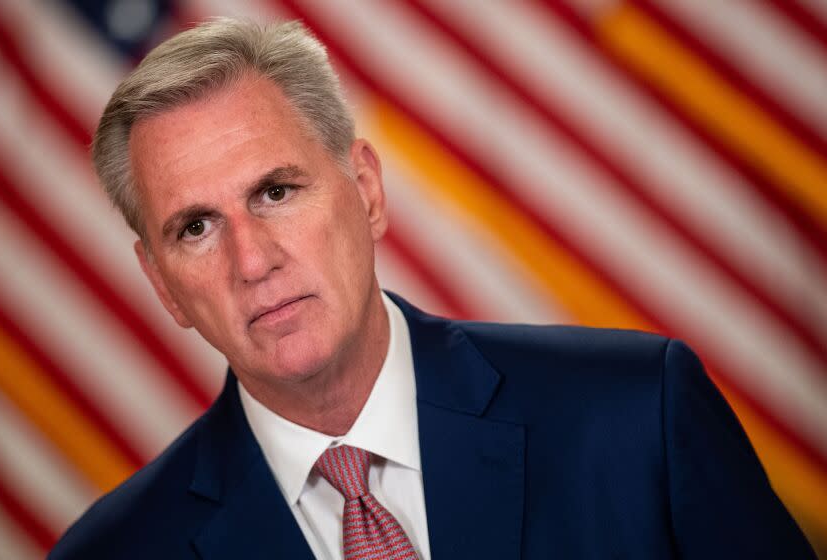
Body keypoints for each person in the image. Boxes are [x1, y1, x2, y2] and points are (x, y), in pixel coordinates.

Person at [49, 18, 815, 560]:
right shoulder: (113, 552)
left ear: (367, 191)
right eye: (196, 228)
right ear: (163, 287)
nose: (252, 262)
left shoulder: (636, 417)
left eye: (277, 192)